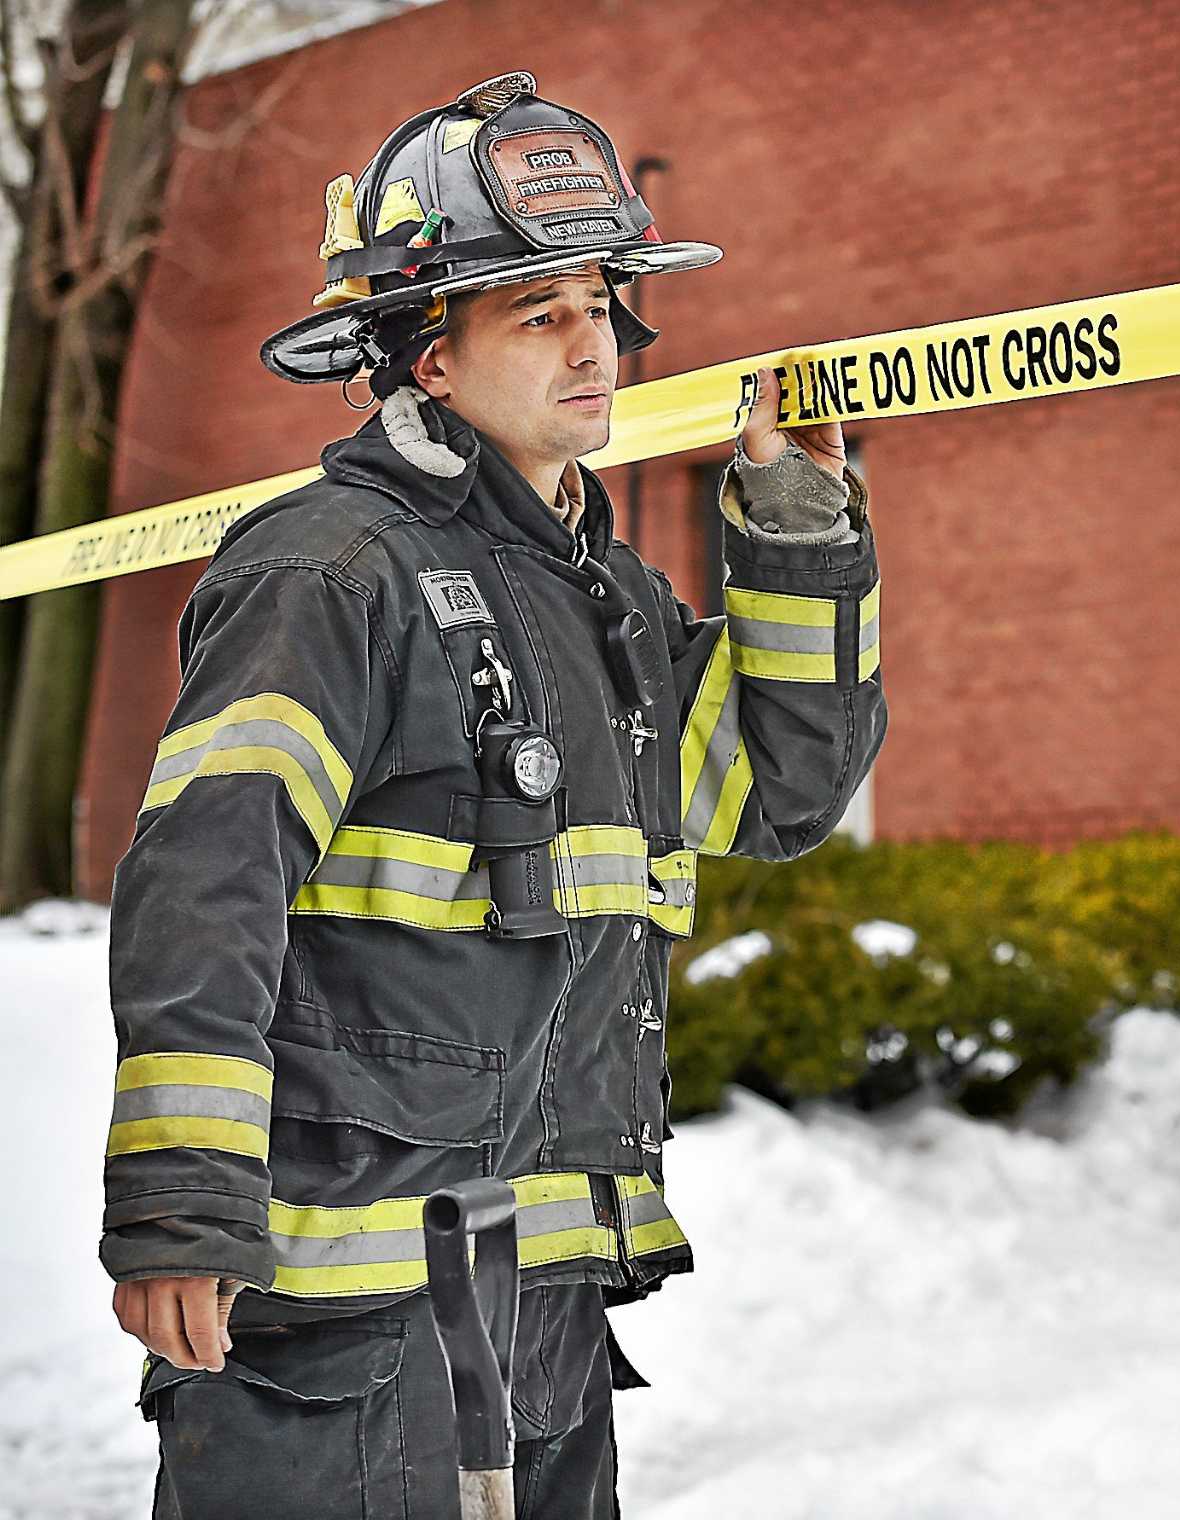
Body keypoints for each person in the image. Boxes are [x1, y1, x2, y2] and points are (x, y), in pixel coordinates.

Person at [100, 73, 885, 1518]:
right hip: (342, 1328)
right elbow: (207, 886)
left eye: (600, 304)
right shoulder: (330, 572)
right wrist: (178, 1204)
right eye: (540, 314)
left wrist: (794, 522)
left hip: (541, 1301)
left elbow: (780, 786)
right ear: (426, 361)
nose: (596, 345)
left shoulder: (600, 598)